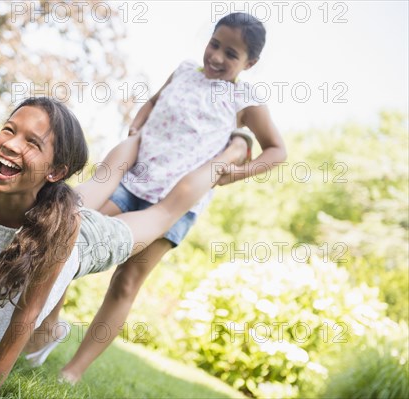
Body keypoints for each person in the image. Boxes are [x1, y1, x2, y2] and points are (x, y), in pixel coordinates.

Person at [0, 96, 250, 395]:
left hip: (84, 237)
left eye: (32, 142)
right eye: (9, 129)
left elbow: (27, 312)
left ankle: (226, 152)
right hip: (51, 203)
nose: (11, 145)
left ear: (56, 169)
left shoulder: (63, 223)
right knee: (106, 176)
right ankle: (142, 135)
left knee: (165, 210)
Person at [59, 12, 287, 383]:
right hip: (132, 182)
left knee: (126, 283)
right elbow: (152, 102)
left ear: (251, 63)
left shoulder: (244, 98)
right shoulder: (183, 71)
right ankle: (48, 325)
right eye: (214, 44)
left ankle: (72, 371)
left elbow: (277, 151)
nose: (216, 57)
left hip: (178, 203)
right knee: (70, 237)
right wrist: (137, 125)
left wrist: (235, 173)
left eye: (231, 54)